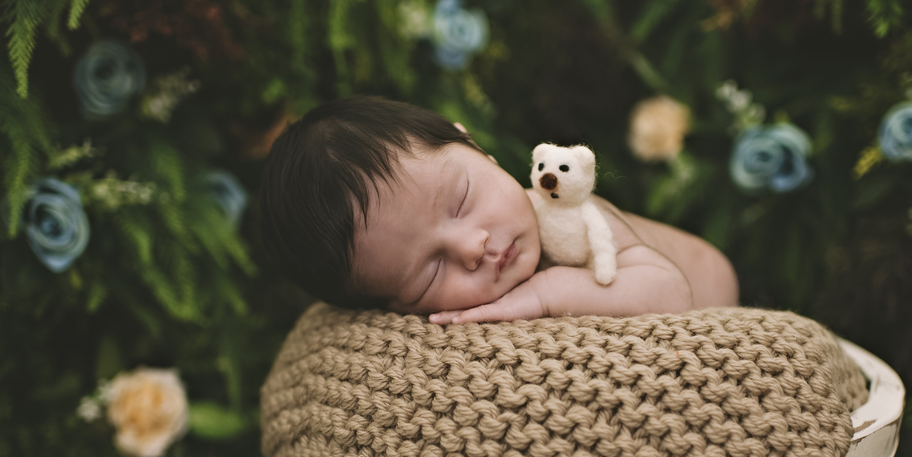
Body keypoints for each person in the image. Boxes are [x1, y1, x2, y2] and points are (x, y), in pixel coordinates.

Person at [257, 96, 739, 323]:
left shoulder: (564, 219)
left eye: (462, 200)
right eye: (428, 274)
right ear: (392, 310)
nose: (472, 247)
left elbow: (672, 293)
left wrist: (545, 295)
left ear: (474, 146)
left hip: (728, 299)